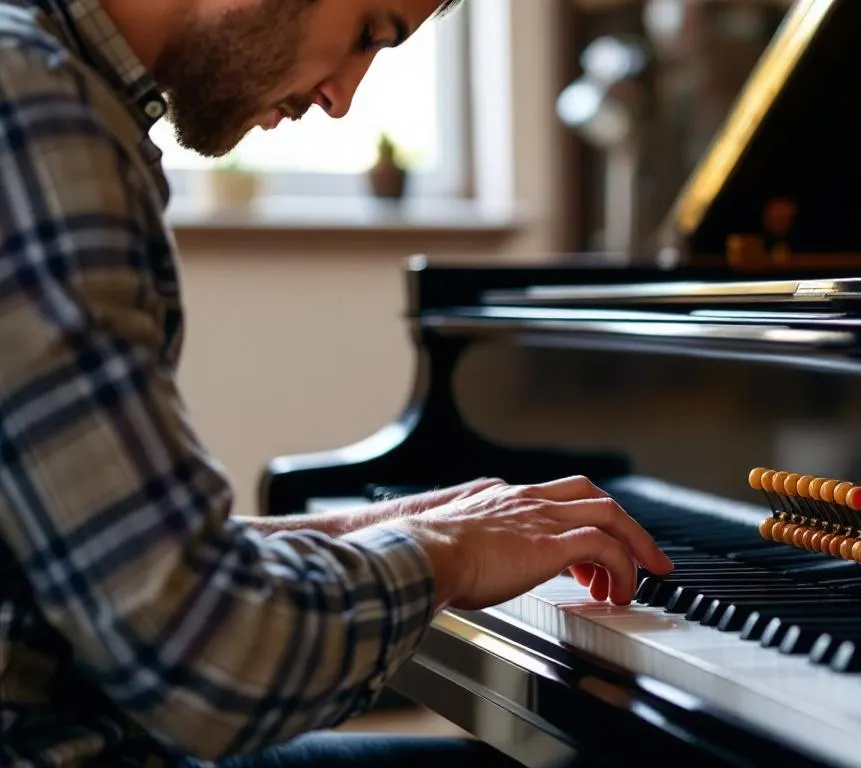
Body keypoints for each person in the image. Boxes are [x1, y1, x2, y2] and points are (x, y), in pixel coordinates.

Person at [0, 0, 674, 765]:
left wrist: (414, 523)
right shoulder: (35, 111)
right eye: (368, 33)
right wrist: (447, 552)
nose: (344, 98)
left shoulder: (47, 85)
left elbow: (125, 568)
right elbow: (205, 661)